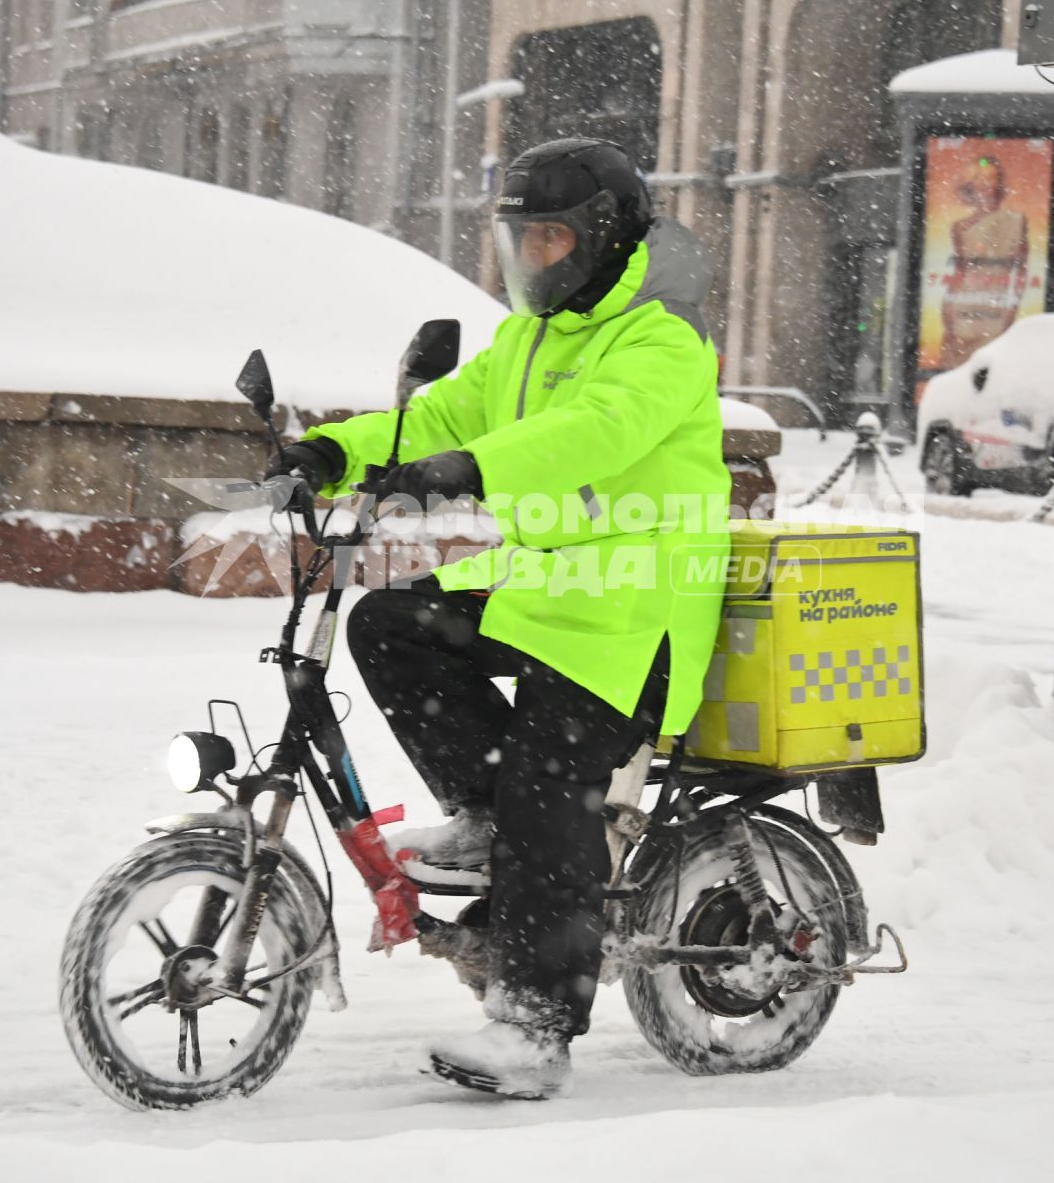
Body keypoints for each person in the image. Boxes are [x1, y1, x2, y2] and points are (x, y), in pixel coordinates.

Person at [266, 137, 730, 1099]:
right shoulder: (527, 340)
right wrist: (331, 455)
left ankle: (536, 1025)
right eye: (519, 239)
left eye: (550, 239)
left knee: (549, 783)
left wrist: (471, 474)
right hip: (548, 596)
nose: (530, 260)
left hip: (633, 617)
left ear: (601, 239)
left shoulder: (662, 341)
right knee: (389, 623)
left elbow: (592, 431)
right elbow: (438, 420)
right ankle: (479, 812)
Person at [937, 153, 1029, 370]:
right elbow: (960, 272)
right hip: (964, 307)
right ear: (970, 185)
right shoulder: (960, 227)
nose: (986, 184)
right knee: (957, 369)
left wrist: (1011, 308)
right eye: (980, 179)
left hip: (997, 307)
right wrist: (949, 306)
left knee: (994, 367)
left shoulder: (1015, 221)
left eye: (991, 178)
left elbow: (1021, 270)